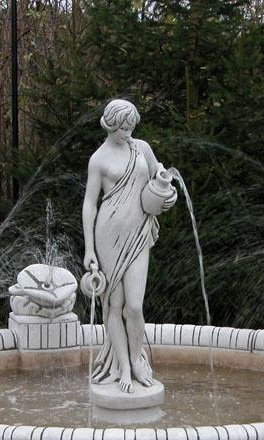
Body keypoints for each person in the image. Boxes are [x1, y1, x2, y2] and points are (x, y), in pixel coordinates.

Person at [82, 99, 176, 393]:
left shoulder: (142, 148)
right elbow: (89, 204)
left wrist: (167, 191)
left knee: (134, 306)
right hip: (108, 235)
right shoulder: (98, 160)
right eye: (123, 128)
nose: (128, 133)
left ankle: (137, 359)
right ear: (110, 125)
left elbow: (159, 178)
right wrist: (89, 250)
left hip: (138, 233)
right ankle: (123, 365)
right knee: (115, 304)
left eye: (131, 127)